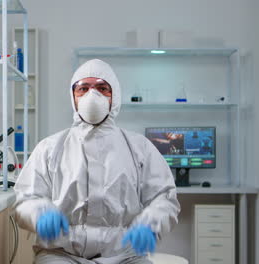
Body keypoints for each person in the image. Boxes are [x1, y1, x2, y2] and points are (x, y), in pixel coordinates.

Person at [13, 59, 180, 264]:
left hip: (125, 256)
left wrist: (152, 222)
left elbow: (164, 198)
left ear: (114, 96)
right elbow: (25, 200)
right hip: (61, 253)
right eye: (83, 88)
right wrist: (39, 214)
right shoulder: (49, 148)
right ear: (73, 97)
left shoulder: (139, 148)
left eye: (102, 88)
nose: (92, 95)